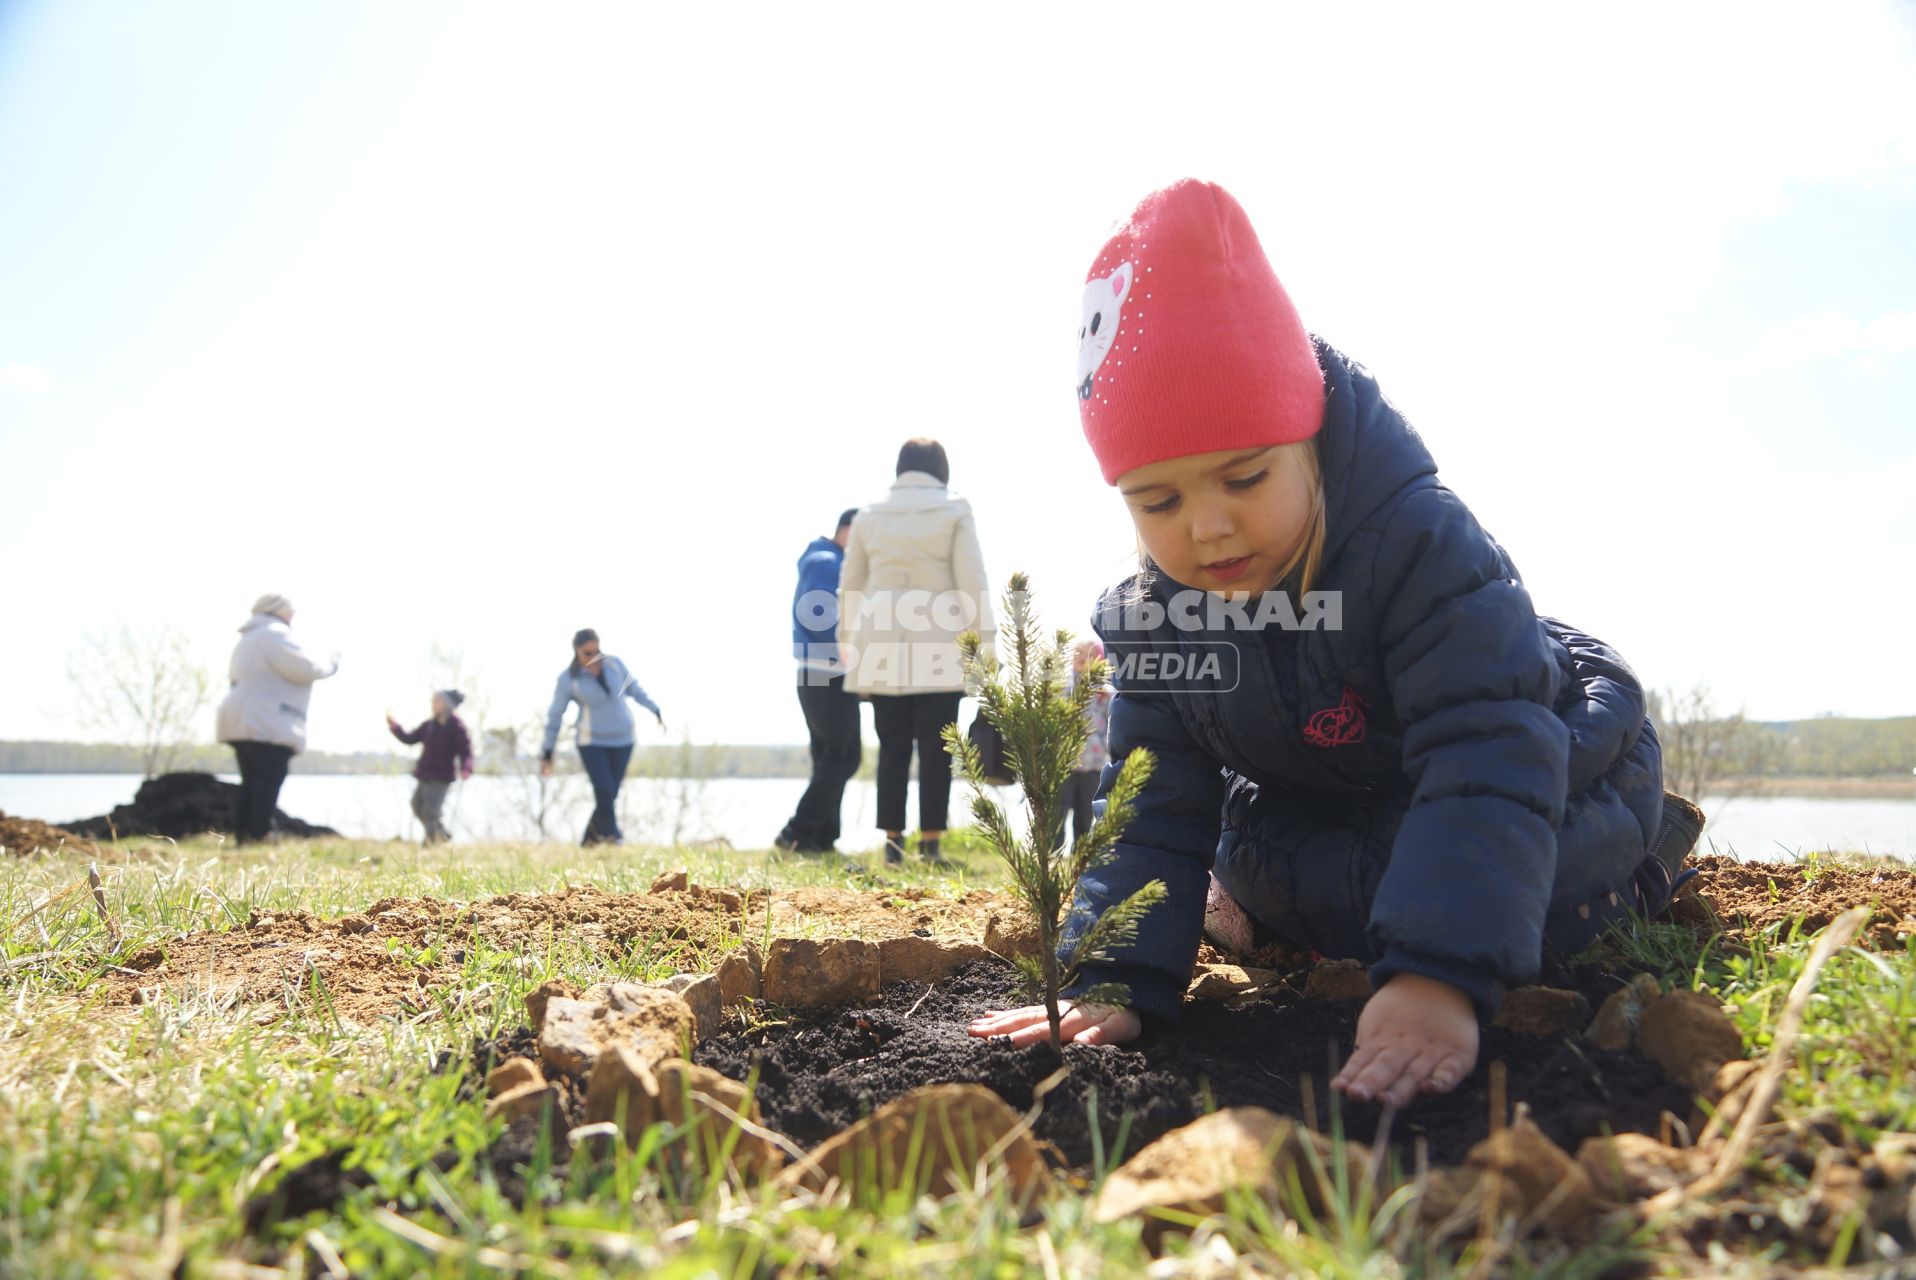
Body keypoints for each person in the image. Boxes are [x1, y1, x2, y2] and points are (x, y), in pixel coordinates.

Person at [968, 181, 1706, 1111]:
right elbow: (1154, 801)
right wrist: (1114, 972)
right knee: (1275, 861)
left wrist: (1436, 978)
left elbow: (1488, 749)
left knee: (1539, 890)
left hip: (1551, 753)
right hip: (1341, 791)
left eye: (1244, 476)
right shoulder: (1161, 619)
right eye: (1158, 501)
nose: (1206, 527)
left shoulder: (1419, 548)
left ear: (1307, 438)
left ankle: (1652, 858)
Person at [837, 439, 994, 863]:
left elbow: (850, 582)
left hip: (881, 642)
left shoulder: (869, 514)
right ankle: (931, 843)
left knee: (891, 747)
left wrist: (846, 641)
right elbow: (971, 580)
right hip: (940, 644)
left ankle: (891, 843)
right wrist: (987, 643)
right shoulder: (955, 509)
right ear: (940, 468)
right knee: (937, 748)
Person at [215, 593, 339, 844]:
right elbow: (304, 668)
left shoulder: (248, 638)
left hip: (240, 718)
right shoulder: (274, 634)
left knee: (251, 780)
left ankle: (243, 835)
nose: (292, 617)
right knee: (268, 778)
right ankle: (260, 833)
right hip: (265, 720)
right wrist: (331, 665)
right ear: (279, 611)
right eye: (290, 611)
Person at [776, 508, 864, 854]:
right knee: (845, 755)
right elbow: (819, 616)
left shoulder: (822, 558)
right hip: (827, 672)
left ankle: (821, 837)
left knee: (828, 755)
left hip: (819, 672)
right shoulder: (829, 563)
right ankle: (796, 832)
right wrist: (855, 656)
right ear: (848, 530)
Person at [540, 629, 664, 845]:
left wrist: (655, 709)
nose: (593, 657)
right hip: (592, 741)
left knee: (611, 793)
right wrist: (548, 751)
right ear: (577, 651)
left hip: (623, 739)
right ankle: (613, 837)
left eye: (596, 651)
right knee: (604, 789)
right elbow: (555, 715)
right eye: (587, 653)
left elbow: (634, 688)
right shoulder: (569, 679)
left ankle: (589, 841)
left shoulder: (614, 664)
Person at [386, 690, 474, 845]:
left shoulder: (456, 726)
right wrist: (395, 727)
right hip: (425, 773)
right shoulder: (429, 725)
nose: (432, 704)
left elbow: (466, 751)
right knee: (416, 805)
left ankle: (430, 842)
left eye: (436, 701)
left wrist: (466, 769)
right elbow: (410, 738)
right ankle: (441, 834)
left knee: (430, 810)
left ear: (446, 704)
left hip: (442, 776)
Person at [1062, 638, 1111, 848]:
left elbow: (1114, 723)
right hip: (1064, 762)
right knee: (1057, 811)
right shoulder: (1063, 686)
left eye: (1090, 655)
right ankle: (1053, 854)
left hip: (1093, 764)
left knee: (1084, 816)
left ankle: (1078, 858)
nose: (1083, 658)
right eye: (1078, 653)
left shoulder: (1106, 692)